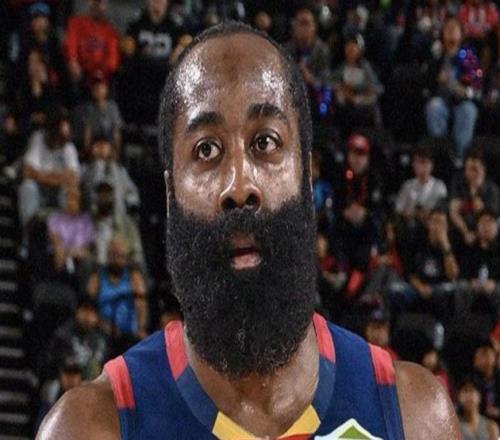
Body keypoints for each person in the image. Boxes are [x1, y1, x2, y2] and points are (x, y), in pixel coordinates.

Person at [37, 21, 461, 439]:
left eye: (265, 142)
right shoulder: (90, 428)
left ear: (305, 174)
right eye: (206, 149)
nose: (239, 186)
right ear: (170, 195)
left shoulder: (414, 416)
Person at [425, 17, 481, 158]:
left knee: (468, 110)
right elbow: (428, 84)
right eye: (447, 28)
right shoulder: (437, 57)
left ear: (461, 34)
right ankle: (441, 154)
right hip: (441, 100)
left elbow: (475, 88)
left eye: (454, 28)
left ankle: (460, 157)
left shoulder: (468, 57)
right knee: (433, 106)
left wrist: (451, 83)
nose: (450, 31)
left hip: (462, 101)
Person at [18, 108, 80, 228]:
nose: (66, 132)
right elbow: (26, 171)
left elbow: (72, 177)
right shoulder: (38, 138)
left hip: (58, 192)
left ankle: (66, 234)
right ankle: (30, 232)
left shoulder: (68, 146)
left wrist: (42, 175)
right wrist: (57, 176)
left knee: (70, 190)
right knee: (27, 186)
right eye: (63, 128)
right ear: (54, 128)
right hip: (39, 191)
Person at [86, 236, 147, 341]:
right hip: (104, 331)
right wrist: (102, 324)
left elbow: (141, 306)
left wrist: (140, 328)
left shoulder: (134, 277)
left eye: (120, 256)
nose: (116, 260)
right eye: (113, 255)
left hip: (131, 333)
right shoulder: (97, 278)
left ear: (126, 257)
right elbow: (88, 308)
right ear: (107, 256)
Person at [63, 0, 120, 92]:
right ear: (90, 3)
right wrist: (73, 60)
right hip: (81, 73)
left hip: (101, 76)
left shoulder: (110, 30)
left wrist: (100, 71)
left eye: (101, 4)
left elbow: (112, 60)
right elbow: (70, 44)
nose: (99, 7)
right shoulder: (76, 22)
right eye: (96, 3)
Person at [449, 148, 499, 246]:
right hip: (463, 226)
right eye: (469, 168)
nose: (472, 173)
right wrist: (465, 232)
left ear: (483, 170)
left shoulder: (492, 189)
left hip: (484, 228)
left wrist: (475, 191)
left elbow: (487, 217)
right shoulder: (458, 182)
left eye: (475, 169)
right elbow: (454, 212)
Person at [80, 136, 140, 217]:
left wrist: (131, 203)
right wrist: (97, 164)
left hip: (117, 216)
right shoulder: (84, 169)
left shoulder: (120, 170)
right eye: (97, 145)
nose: (101, 149)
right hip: (91, 217)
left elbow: (132, 192)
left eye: (104, 145)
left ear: (110, 148)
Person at [91, 181, 145, 271]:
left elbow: (137, 251)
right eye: (101, 195)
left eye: (107, 194)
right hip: (97, 267)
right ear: (96, 197)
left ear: (112, 196)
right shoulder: (89, 222)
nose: (104, 198)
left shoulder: (126, 223)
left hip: (121, 267)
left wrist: (129, 262)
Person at [395, 144, 448, 225]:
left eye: (423, 162)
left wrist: (427, 213)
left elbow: (441, 209)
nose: (420, 166)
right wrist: (412, 213)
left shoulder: (439, 186)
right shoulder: (407, 185)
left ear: (431, 165)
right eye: (417, 162)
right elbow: (399, 208)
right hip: (410, 224)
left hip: (431, 224)